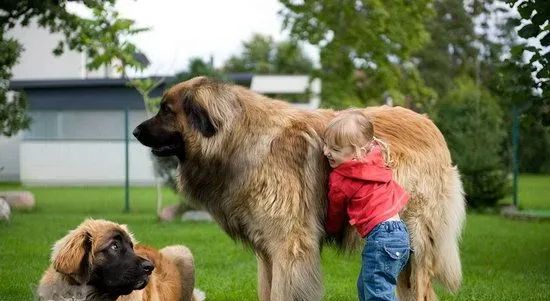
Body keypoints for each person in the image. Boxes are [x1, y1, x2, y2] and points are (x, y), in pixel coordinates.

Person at [323, 109, 411, 301]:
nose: (326, 152)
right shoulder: (376, 157)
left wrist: (330, 229)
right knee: (368, 286)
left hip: (381, 240)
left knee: (378, 294)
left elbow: (336, 211)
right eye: (326, 144)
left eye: (336, 150)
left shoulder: (341, 177)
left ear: (357, 152)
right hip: (400, 236)